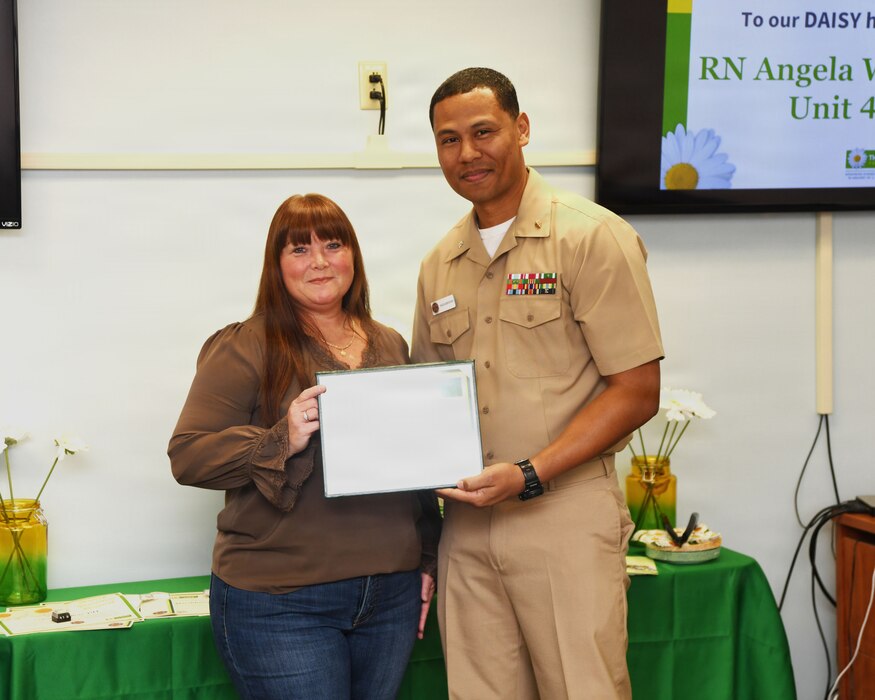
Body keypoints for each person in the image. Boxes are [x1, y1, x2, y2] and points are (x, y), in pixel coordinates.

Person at [411, 67, 664, 699]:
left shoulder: (590, 237)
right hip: (467, 527)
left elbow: (637, 390)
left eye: (483, 131)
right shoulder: (439, 264)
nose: (467, 153)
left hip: (564, 515)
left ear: (521, 129)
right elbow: (426, 402)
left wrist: (529, 472)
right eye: (448, 140)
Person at [169, 193, 441, 700]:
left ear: (353, 256)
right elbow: (188, 455)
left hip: (392, 596)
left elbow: (414, 467)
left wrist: (427, 559)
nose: (319, 262)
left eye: (332, 245)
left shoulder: (390, 343)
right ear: (276, 266)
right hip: (281, 603)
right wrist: (282, 437)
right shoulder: (246, 344)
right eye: (299, 249)